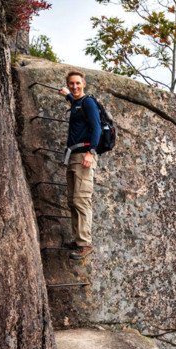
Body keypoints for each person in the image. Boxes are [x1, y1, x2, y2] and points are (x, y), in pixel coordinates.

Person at [59, 71, 101, 260]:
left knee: (81, 199)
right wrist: (67, 95)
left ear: (83, 83)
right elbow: (74, 100)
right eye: (71, 84)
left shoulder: (88, 103)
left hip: (84, 156)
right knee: (72, 200)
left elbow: (97, 128)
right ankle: (78, 240)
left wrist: (90, 152)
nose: (74, 86)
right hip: (74, 155)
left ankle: (84, 243)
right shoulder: (77, 103)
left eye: (77, 83)